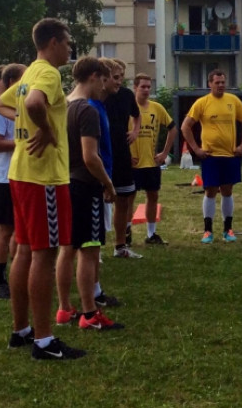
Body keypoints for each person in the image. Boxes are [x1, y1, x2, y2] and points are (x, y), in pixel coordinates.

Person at [0, 18, 85, 361]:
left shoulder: (28, 71)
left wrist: (27, 125)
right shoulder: (47, 72)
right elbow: (32, 105)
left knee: (26, 250)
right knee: (44, 255)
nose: (69, 47)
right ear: (52, 42)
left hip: (20, 173)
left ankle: (22, 330)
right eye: (67, 41)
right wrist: (44, 129)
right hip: (43, 176)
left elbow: (1, 104)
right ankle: (44, 341)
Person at [54, 57, 124, 330]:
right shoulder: (87, 110)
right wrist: (108, 184)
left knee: (67, 248)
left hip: (65, 182)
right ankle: (89, 313)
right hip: (85, 185)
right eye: (104, 80)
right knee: (89, 250)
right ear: (94, 77)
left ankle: (63, 309)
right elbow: (90, 157)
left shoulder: (63, 106)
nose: (104, 88)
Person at [180, 69, 242, 244]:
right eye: (217, 82)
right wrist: (196, 149)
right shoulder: (202, 103)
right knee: (210, 191)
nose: (220, 85)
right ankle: (208, 231)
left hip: (230, 155)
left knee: (227, 191)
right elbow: (185, 127)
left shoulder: (233, 101)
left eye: (223, 82)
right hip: (210, 156)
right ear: (209, 84)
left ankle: (228, 230)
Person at [0, 63, 26, 299]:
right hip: (3, 178)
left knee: (20, 229)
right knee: (5, 229)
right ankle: (1, 280)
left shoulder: (19, 108)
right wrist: (25, 141)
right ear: (12, 83)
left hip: (22, 176)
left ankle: (16, 274)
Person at [130, 73, 178, 245]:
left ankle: (151, 234)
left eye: (149, 87)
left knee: (153, 196)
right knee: (128, 198)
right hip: (132, 163)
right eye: (142, 86)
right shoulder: (128, 107)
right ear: (135, 88)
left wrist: (165, 152)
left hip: (151, 162)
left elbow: (172, 129)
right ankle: (126, 233)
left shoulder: (157, 108)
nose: (146, 90)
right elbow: (115, 132)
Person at [103, 58, 142, 258]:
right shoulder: (96, 98)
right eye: (116, 77)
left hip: (122, 153)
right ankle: (93, 248)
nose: (119, 81)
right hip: (100, 154)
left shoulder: (127, 95)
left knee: (124, 199)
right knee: (99, 201)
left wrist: (135, 131)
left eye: (121, 77)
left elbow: (137, 116)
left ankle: (120, 246)